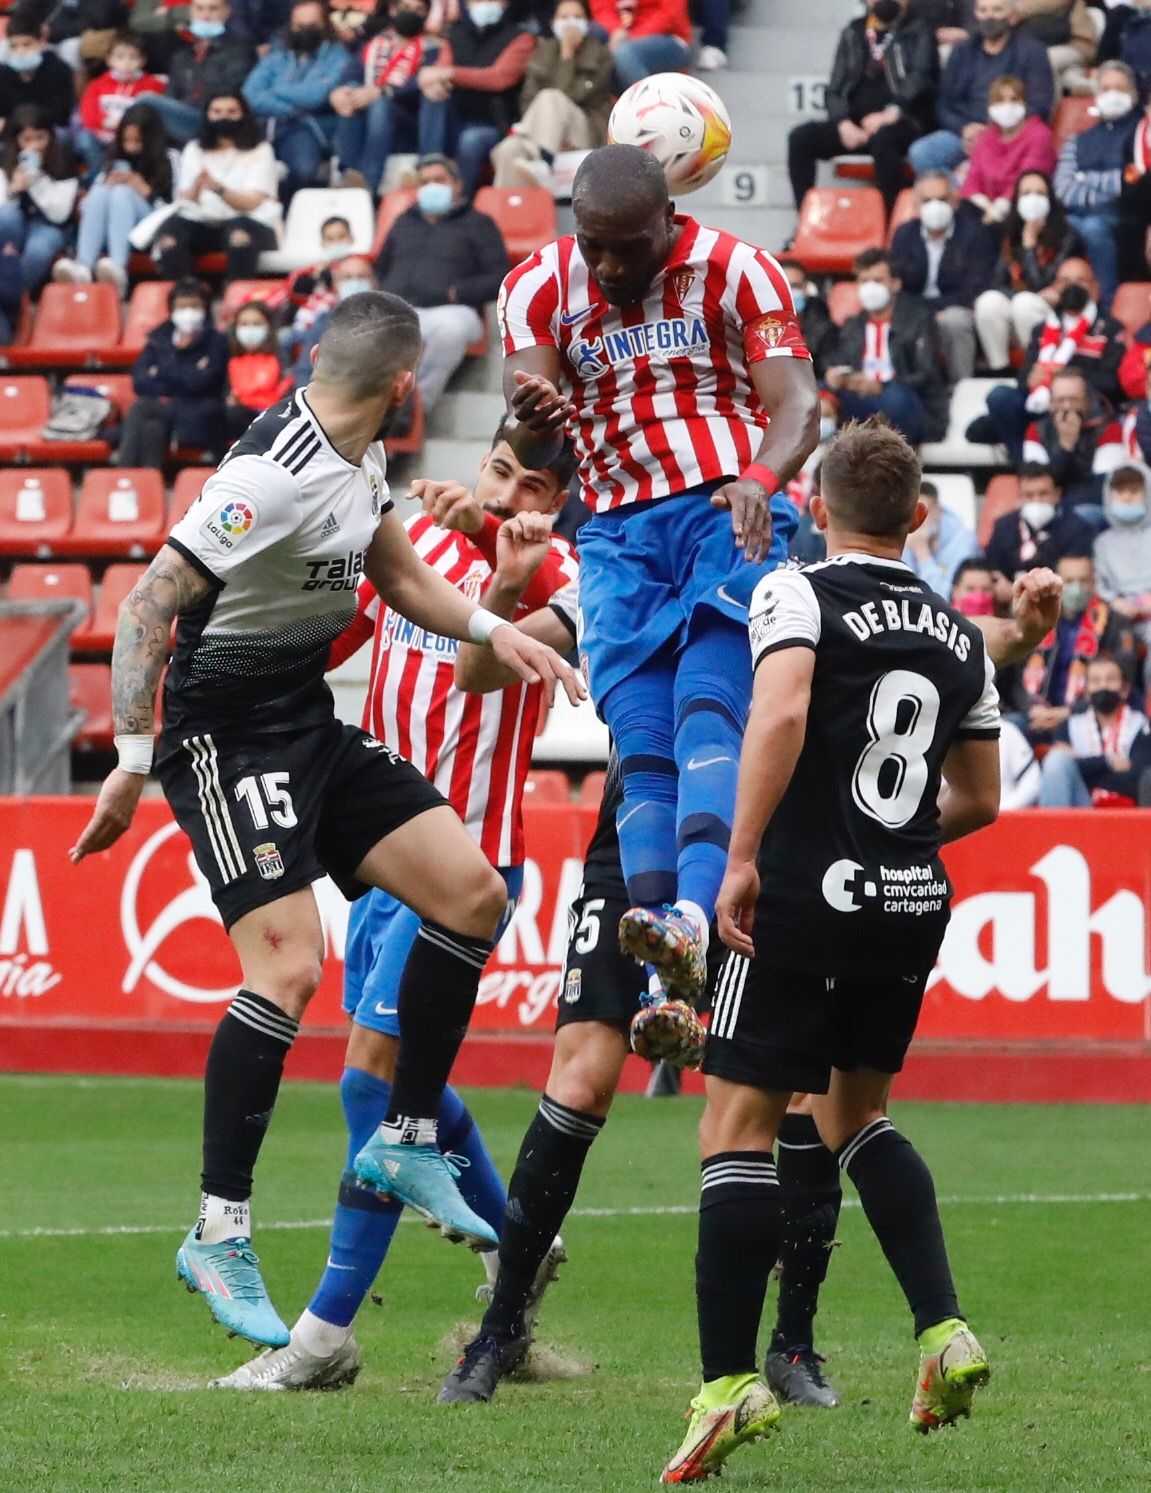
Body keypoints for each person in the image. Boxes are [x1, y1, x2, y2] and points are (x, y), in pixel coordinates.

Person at [69, 288, 582, 1350]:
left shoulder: (361, 460)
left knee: (472, 891)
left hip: (305, 719)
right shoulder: (265, 474)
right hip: (224, 732)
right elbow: (146, 602)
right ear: (407, 388)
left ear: (316, 356)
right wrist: (126, 759)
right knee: (290, 969)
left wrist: (500, 625)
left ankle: (404, 1132)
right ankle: (218, 1227)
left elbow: (395, 573)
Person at [437, 545, 1061, 1408]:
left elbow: (927, 641)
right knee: (583, 1076)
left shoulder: (791, 572)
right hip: (643, 841)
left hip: (760, 848)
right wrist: (503, 587)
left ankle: (791, 1347)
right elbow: (477, 664)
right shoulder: (629, 569)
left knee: (792, 1099)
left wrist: (1019, 640)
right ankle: (499, 1330)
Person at [661, 418, 1003, 1483]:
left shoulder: (795, 589)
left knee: (734, 1124)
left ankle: (724, 1386)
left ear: (815, 504)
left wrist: (743, 857)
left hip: (800, 898)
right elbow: (979, 797)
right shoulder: (960, 633)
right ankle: (942, 1329)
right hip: (907, 900)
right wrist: (889, 846)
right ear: (913, 516)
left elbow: (780, 713)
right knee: (858, 1114)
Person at [213, 430, 579, 1391]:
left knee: (371, 1086)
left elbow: (480, 672)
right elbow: (339, 633)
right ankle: (517, 1245)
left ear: (560, 499)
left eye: (531, 485)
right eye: (499, 471)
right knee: (390, 1079)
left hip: (464, 862)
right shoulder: (411, 547)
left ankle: (324, 1335)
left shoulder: (562, 574)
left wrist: (501, 585)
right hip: (378, 852)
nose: (505, 494)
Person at [491, 143, 821, 1025]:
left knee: (706, 712)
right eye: (591, 244)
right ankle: (666, 987)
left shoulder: (739, 270)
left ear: (668, 223)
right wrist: (528, 423)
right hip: (614, 534)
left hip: (726, 509)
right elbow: (528, 441)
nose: (606, 265)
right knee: (638, 749)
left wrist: (762, 473)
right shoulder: (532, 288)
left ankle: (689, 920)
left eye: (627, 246)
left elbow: (797, 402)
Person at [374, 153, 507, 413]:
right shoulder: (404, 221)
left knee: (449, 332)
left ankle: (412, 409)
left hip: (451, 311)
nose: (431, 187)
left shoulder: (479, 223)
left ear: (457, 185)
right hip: (399, 309)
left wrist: (459, 292)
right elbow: (381, 266)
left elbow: (500, 276)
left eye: (439, 180)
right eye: (424, 182)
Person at [787, 0, 935, 217]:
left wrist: (892, 112)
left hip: (901, 123)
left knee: (885, 140)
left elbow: (921, 78)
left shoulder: (919, 30)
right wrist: (843, 122)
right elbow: (835, 88)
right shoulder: (853, 32)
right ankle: (805, 221)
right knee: (801, 138)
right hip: (854, 127)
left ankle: (891, 225)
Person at [973, 257, 1125, 462]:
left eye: (1080, 280)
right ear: (1055, 287)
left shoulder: (1110, 328)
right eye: (1065, 280)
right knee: (1000, 397)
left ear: (1095, 288)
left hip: (1083, 407)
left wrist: (1063, 377)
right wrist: (1031, 380)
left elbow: (1114, 383)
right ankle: (1025, 468)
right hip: (1042, 402)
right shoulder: (1042, 328)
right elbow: (1023, 379)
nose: (1072, 286)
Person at [908, 0, 1054, 178]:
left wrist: (991, 130)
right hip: (965, 133)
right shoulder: (962, 50)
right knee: (922, 153)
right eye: (982, 10)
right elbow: (944, 103)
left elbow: (1039, 105)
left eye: (997, 10)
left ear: (1013, 17)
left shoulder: (1033, 52)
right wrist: (965, 128)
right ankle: (962, 195)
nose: (989, 16)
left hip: (1010, 134)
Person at [154, 92, 283, 283]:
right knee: (170, 235)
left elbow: (252, 202)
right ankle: (184, 295)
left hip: (253, 222)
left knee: (239, 234)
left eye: (232, 112)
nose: (224, 117)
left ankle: (235, 300)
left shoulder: (261, 150)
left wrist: (219, 189)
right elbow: (186, 200)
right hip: (206, 221)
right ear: (207, 115)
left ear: (243, 114)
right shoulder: (194, 149)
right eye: (217, 112)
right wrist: (197, 186)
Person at [825, 248, 949, 446]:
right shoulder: (853, 325)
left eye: (877, 280)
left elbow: (927, 374)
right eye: (864, 281)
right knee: (817, 391)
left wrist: (881, 386)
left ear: (895, 283)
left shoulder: (919, 320)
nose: (870, 287)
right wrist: (840, 377)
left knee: (895, 398)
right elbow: (840, 361)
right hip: (861, 399)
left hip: (908, 403)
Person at [1006, 548, 1134, 740]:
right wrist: (1031, 709)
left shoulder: (1115, 622)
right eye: (1069, 581)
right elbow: (1014, 677)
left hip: (1087, 718)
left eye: (1083, 580)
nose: (1077, 588)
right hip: (1033, 715)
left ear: (1094, 582)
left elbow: (1122, 679)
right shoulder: (1035, 618)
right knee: (1007, 729)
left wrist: (1069, 712)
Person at [489, 0, 613, 192]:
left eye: (577, 17)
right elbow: (527, 101)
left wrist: (567, 55)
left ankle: (543, 159)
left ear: (588, 22)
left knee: (551, 97)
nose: (570, 23)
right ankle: (506, 216)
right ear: (553, 22)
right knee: (509, 149)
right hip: (541, 130)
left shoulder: (600, 54)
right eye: (564, 17)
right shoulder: (542, 52)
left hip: (585, 129)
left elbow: (574, 95)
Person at [53, 103, 175, 295]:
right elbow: (87, 207)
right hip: (110, 227)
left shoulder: (171, 158)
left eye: (138, 141)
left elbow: (175, 210)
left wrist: (143, 189)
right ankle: (83, 265)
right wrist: (106, 185)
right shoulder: (113, 159)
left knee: (121, 194)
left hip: (151, 226)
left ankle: (118, 267)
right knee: (103, 192)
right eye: (127, 140)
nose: (132, 147)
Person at [888, 170, 998, 384]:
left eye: (942, 199)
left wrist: (934, 310)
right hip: (915, 308)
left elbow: (976, 287)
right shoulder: (904, 235)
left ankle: (960, 387)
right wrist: (924, 312)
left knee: (954, 321)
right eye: (928, 200)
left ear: (955, 201)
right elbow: (897, 282)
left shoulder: (976, 234)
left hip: (958, 309)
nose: (935, 206)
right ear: (918, 204)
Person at [417, 0, 533, 198]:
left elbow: (499, 78)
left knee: (471, 140)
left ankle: (460, 199)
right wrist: (433, 83)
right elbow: (438, 73)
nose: (484, 4)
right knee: (434, 97)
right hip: (455, 117)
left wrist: (451, 74)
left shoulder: (521, 37)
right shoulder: (454, 34)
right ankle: (428, 168)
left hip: (495, 122)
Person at [973, 169, 1085, 372]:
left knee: (1024, 304)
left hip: (1052, 316)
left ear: (1050, 199)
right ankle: (1000, 369)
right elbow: (997, 283)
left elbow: (1042, 283)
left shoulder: (1066, 236)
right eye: (1026, 193)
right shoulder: (1010, 234)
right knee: (989, 301)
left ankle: (1035, 370)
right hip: (1016, 310)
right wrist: (1017, 294)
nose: (1033, 199)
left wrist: (1029, 248)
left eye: (1040, 193)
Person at [1054, 61, 1141, 307]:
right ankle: (1056, 300)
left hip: (1123, 215)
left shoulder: (1142, 134)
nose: (1112, 95)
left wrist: (1086, 179)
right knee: (1059, 224)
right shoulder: (1078, 139)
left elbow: (1131, 181)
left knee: (1093, 226)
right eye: (1106, 89)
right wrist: (1104, 190)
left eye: (1120, 89)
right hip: (1076, 214)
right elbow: (1062, 187)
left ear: (1133, 95)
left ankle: (1108, 303)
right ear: (1096, 95)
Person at [243, 1, 352, 198]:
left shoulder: (338, 57)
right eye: (299, 26)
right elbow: (250, 95)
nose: (305, 31)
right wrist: (291, 108)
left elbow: (316, 96)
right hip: (264, 124)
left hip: (307, 127)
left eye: (312, 26)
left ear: (324, 26)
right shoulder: (277, 57)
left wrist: (273, 91)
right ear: (291, 26)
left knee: (304, 172)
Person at [118, 278, 229, 467]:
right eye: (181, 307)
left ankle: (123, 471)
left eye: (194, 307)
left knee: (141, 408)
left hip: (200, 412)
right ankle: (147, 484)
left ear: (205, 309)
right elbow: (140, 381)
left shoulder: (216, 341)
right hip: (164, 412)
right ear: (172, 310)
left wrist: (162, 374)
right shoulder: (158, 339)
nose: (188, 313)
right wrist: (186, 374)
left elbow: (204, 382)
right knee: (152, 429)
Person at [332, 0, 439, 193]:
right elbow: (352, 73)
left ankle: (368, 182)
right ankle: (349, 173)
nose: (410, 14)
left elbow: (421, 83)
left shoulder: (433, 47)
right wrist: (341, 91)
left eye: (418, 10)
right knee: (350, 92)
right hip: (367, 113)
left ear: (426, 14)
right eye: (405, 8)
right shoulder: (375, 43)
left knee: (380, 101)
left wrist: (382, 91)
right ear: (393, 10)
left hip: (408, 116)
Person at [1038, 653, 1150, 804]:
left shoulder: (1142, 726)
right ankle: (1052, 828)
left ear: (1125, 689)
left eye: (1110, 680)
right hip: (1083, 806)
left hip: (1128, 816)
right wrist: (1107, 762)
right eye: (1096, 681)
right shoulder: (1068, 726)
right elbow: (1058, 773)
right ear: (1086, 692)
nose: (1103, 686)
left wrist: (1082, 765)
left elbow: (1137, 781)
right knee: (1057, 760)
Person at [147, 0, 258, 146]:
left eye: (213, 9)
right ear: (191, 12)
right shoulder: (182, 54)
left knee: (147, 100)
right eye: (199, 9)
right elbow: (172, 94)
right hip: (183, 118)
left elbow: (231, 91)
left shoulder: (241, 50)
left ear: (226, 12)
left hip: (219, 118)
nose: (206, 16)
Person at [985, 464, 1097, 600]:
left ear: (1057, 494)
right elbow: (993, 571)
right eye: (1029, 495)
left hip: (1060, 606)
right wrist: (1000, 584)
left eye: (1043, 494)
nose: (1036, 500)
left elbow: (1077, 577)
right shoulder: (1004, 527)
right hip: (1011, 605)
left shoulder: (1078, 528)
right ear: (1020, 498)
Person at [0, 105, 78, 295]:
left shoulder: (62, 159)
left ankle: (13, 296)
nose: (33, 145)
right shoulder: (5, 160)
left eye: (40, 138)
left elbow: (59, 215)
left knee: (38, 250)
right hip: (16, 224)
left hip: (48, 226)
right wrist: (13, 192)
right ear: (16, 140)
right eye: (26, 140)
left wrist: (37, 183)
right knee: (7, 215)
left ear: (50, 136)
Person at [959, 74, 1056, 226]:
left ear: (1024, 103)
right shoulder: (986, 136)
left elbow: (1029, 178)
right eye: (1000, 101)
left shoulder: (1039, 135)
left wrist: (1000, 208)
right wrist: (982, 205)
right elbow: (973, 177)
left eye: (1014, 100)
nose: (1007, 106)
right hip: (983, 210)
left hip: (1022, 209)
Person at [1021, 368, 1125, 507]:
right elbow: (1037, 481)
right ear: (1051, 404)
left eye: (1074, 399)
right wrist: (1065, 447)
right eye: (1060, 400)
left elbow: (1103, 484)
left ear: (1087, 403)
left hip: (1091, 505)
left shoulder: (1109, 429)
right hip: (1046, 504)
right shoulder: (1036, 430)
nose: (1067, 406)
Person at [74, 32, 164, 178]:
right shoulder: (97, 85)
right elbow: (88, 115)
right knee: (85, 138)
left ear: (143, 61)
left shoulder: (153, 86)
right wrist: (104, 122)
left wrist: (123, 127)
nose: (126, 63)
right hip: (102, 137)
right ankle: (98, 176)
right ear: (109, 60)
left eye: (133, 57)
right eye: (120, 57)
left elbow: (154, 116)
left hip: (133, 140)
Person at [1095, 461, 1151, 653]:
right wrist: (1116, 602)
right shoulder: (1102, 543)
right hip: (1118, 615)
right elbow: (1099, 585)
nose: (1127, 498)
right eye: (1120, 492)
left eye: (1134, 492)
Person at [225, 299, 292, 442]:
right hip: (240, 418)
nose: (250, 329)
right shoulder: (228, 357)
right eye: (244, 324)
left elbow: (288, 388)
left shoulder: (281, 356)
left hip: (274, 416)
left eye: (257, 324)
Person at [589, 0, 692, 90]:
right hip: (619, 36)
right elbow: (602, 10)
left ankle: (650, 107)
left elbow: (670, 14)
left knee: (624, 55)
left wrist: (630, 37)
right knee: (585, 36)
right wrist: (616, 30)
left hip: (669, 37)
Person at [902, 479, 978, 594]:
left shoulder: (964, 542)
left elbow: (947, 597)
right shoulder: (902, 535)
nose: (917, 520)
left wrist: (922, 553)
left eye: (922, 512)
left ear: (938, 511)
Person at [0, 18, 77, 131]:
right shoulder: (4, 74)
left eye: (27, 44)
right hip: (13, 132)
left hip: (49, 130)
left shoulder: (58, 70)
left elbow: (60, 113)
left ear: (41, 42)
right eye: (14, 46)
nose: (20, 51)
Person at [780, 259, 838, 383]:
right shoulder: (759, 320)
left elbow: (825, 365)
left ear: (806, 288)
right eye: (785, 286)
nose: (790, 292)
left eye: (795, 286)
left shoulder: (821, 322)